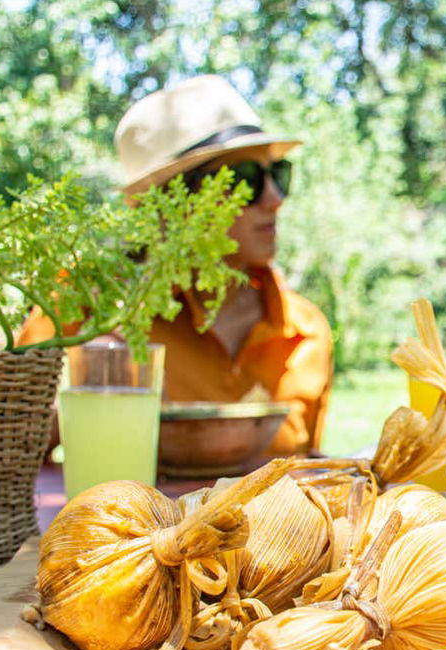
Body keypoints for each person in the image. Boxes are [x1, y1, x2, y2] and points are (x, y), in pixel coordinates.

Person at [19, 75, 333, 456]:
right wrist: (91, 387)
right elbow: (5, 437)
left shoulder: (306, 330)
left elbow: (312, 481)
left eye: (278, 175)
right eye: (245, 181)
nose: (274, 198)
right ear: (171, 204)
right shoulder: (90, 299)